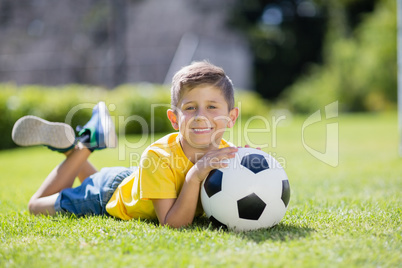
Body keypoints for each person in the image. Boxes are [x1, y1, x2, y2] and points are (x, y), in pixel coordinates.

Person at [12, 61, 239, 228]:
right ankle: (87, 145)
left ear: (231, 117)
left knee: (93, 178)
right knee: (36, 206)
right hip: (105, 195)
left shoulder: (224, 152)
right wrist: (194, 175)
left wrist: (247, 164)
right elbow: (173, 224)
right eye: (190, 108)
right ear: (173, 119)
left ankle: (76, 146)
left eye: (212, 107)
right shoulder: (158, 156)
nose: (200, 116)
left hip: (133, 181)